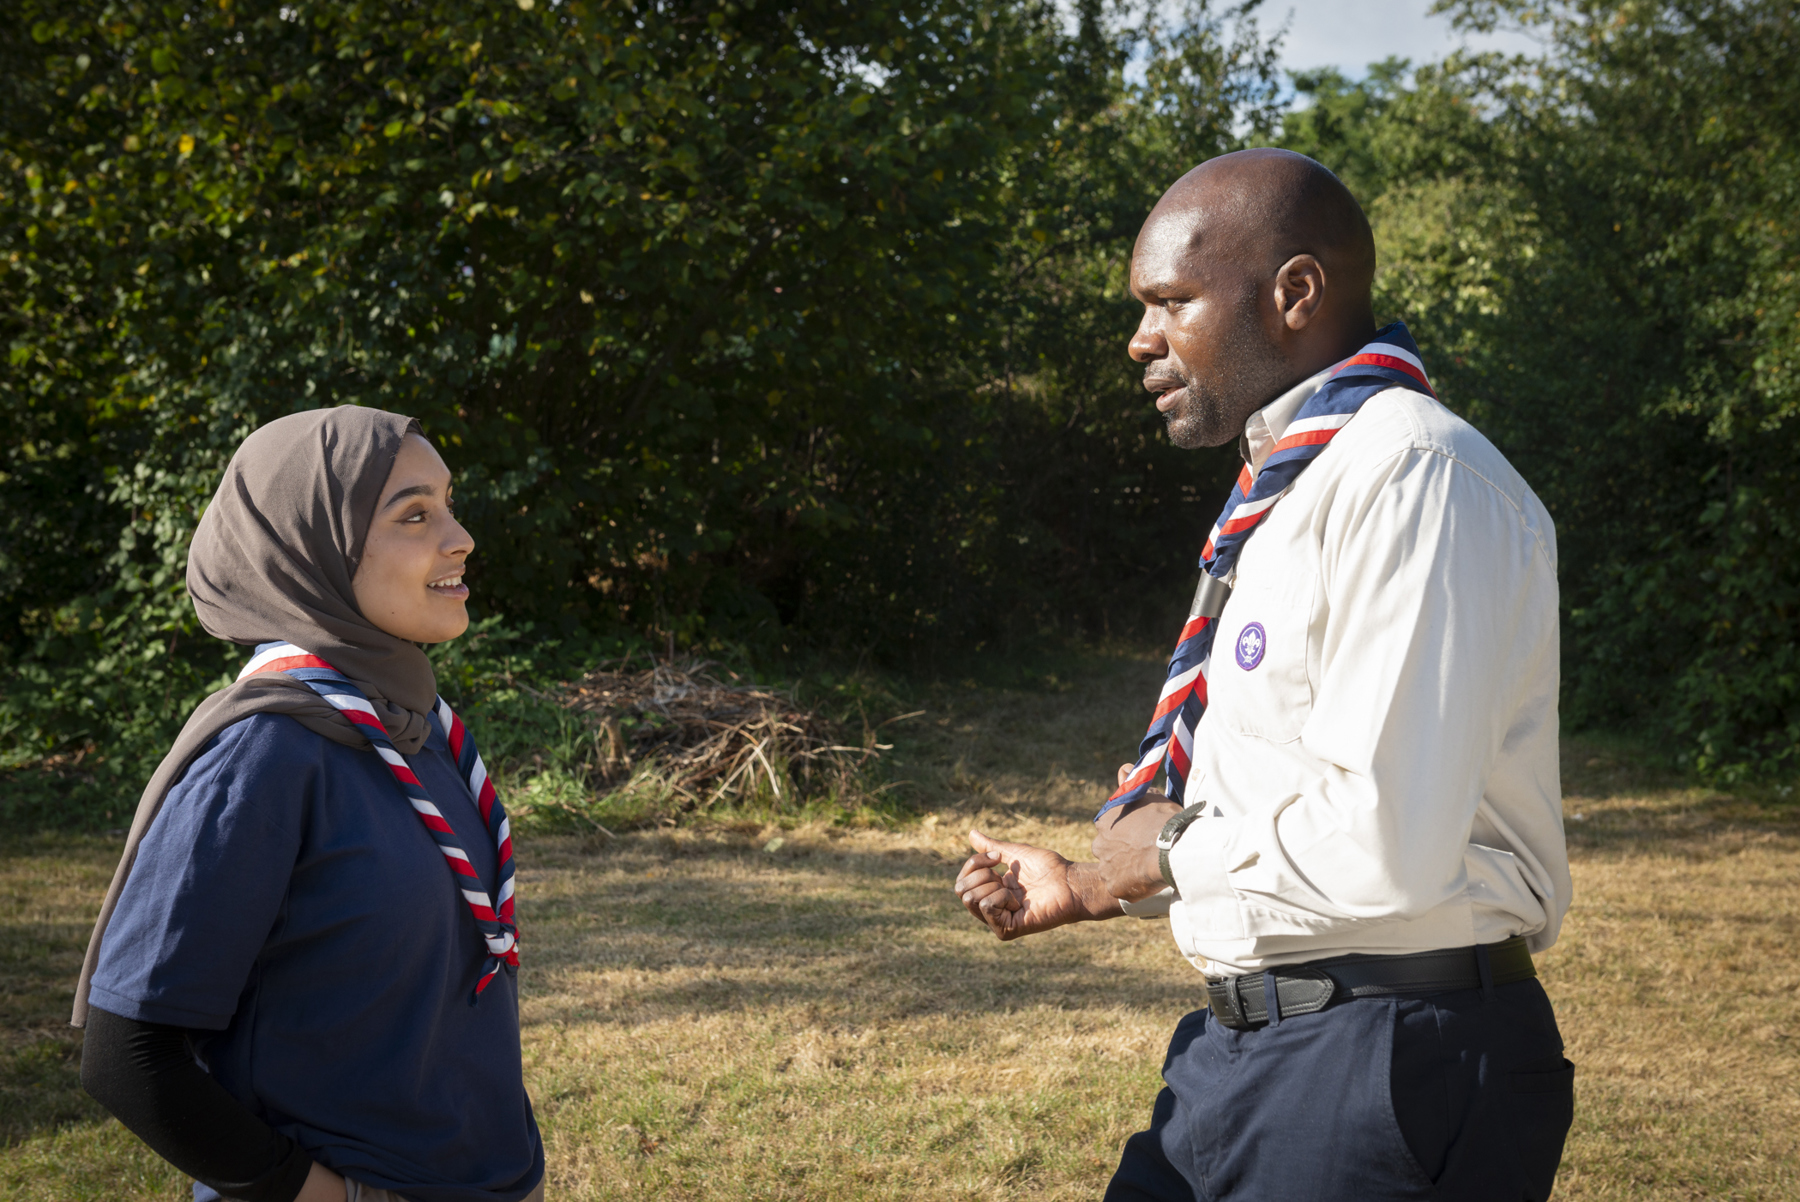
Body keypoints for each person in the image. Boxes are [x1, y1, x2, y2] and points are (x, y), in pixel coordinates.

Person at [953, 149, 1574, 1201]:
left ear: (1295, 292)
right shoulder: (1295, 485)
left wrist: (1168, 850)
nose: (1140, 339)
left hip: (1383, 1059)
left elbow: (1386, 841)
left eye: (1171, 300)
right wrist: (1095, 878)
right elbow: (1292, 797)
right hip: (1247, 1052)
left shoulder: (1415, 479)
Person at [73, 408, 545, 1202]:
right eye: (415, 514)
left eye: (450, 505)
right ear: (310, 549)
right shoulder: (266, 755)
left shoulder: (412, 729)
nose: (460, 537)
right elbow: (129, 1055)